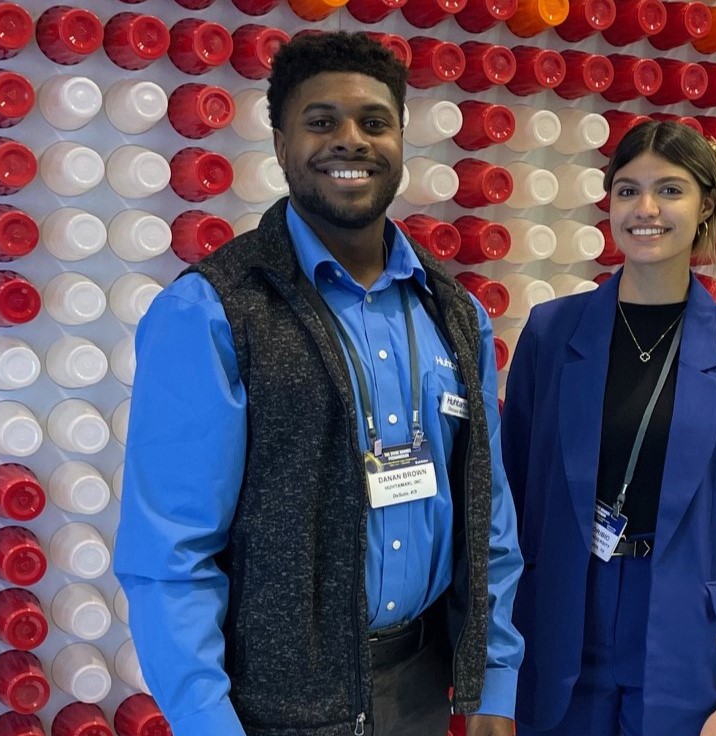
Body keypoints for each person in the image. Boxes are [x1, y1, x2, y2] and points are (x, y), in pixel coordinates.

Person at [114, 31, 523, 736]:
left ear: (401, 139)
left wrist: (492, 678)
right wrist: (207, 723)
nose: (350, 140)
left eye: (373, 122)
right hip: (273, 709)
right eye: (321, 121)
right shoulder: (214, 310)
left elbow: (488, 511)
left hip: (423, 686)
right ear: (280, 145)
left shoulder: (454, 314)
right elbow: (171, 554)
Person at [500, 121, 716, 736]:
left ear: (705, 204)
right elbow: (506, 509)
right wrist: (493, 679)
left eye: (670, 189)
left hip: (688, 644)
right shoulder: (551, 334)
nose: (646, 209)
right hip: (558, 631)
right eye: (628, 190)